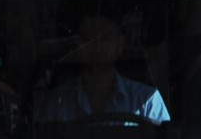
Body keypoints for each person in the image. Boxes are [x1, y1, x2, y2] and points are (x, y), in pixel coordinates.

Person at [36, 11, 170, 123]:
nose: (97, 47)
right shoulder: (56, 104)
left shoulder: (148, 102)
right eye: (88, 38)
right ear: (77, 45)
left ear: (120, 44)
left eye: (106, 37)